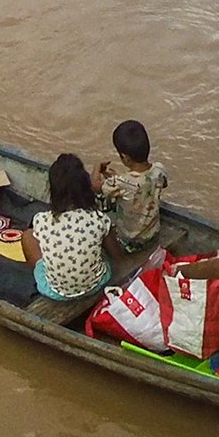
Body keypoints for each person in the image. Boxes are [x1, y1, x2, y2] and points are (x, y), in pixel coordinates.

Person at [23, 153, 114, 323]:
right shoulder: (99, 218)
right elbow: (116, 255)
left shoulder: (41, 220)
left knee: (27, 236)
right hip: (96, 284)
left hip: (55, 291)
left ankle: (47, 272)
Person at [97, 119, 171, 259]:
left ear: (125, 157)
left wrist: (97, 168)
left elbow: (95, 186)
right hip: (152, 234)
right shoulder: (159, 170)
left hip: (128, 241)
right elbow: (157, 183)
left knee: (100, 206)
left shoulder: (120, 182)